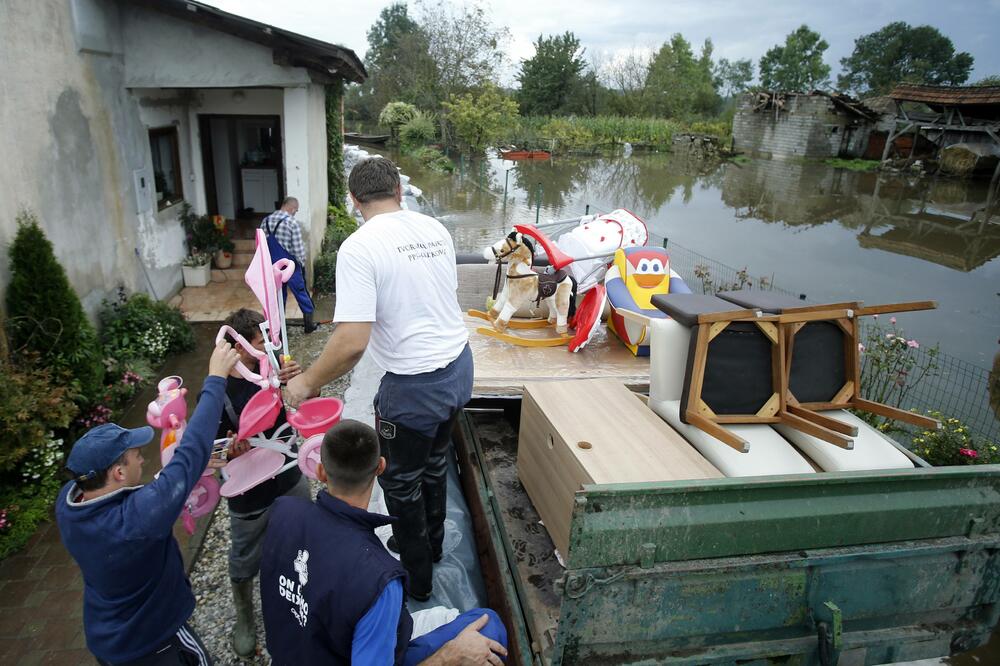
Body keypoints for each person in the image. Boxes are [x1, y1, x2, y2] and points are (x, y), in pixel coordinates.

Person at [285, 157, 472, 601]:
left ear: (354, 200)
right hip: (459, 367)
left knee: (401, 485)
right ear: (399, 192)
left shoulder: (359, 247)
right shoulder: (435, 229)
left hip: (414, 389)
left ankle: (418, 581)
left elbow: (352, 341)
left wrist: (305, 383)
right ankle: (434, 544)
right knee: (435, 462)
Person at [260, 419, 507, 665]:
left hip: (292, 653)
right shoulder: (377, 579)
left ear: (321, 471)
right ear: (381, 466)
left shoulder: (283, 512)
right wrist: (447, 657)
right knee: (489, 627)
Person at [56, 341, 240, 665]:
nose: (143, 458)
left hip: (109, 640)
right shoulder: (137, 522)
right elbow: (191, 451)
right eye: (136, 456)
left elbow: (148, 500)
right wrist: (215, 377)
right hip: (155, 643)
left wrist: (168, 482)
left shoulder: (70, 501)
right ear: (118, 472)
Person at [217, 308, 312, 657]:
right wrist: (230, 450)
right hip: (248, 491)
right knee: (245, 554)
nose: (270, 348)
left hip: (289, 472)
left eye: (269, 340)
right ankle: (244, 614)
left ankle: (299, 592)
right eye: (261, 343)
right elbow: (212, 452)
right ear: (238, 348)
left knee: (301, 537)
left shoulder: (274, 369)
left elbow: (308, 406)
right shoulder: (218, 391)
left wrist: (301, 382)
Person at [262, 196, 317, 333]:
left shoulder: (266, 221)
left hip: (273, 267)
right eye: (296, 210)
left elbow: (261, 246)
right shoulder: (292, 222)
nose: (295, 213)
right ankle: (309, 325)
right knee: (301, 293)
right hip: (290, 266)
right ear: (292, 208)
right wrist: (301, 264)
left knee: (278, 297)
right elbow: (298, 250)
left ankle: (278, 330)